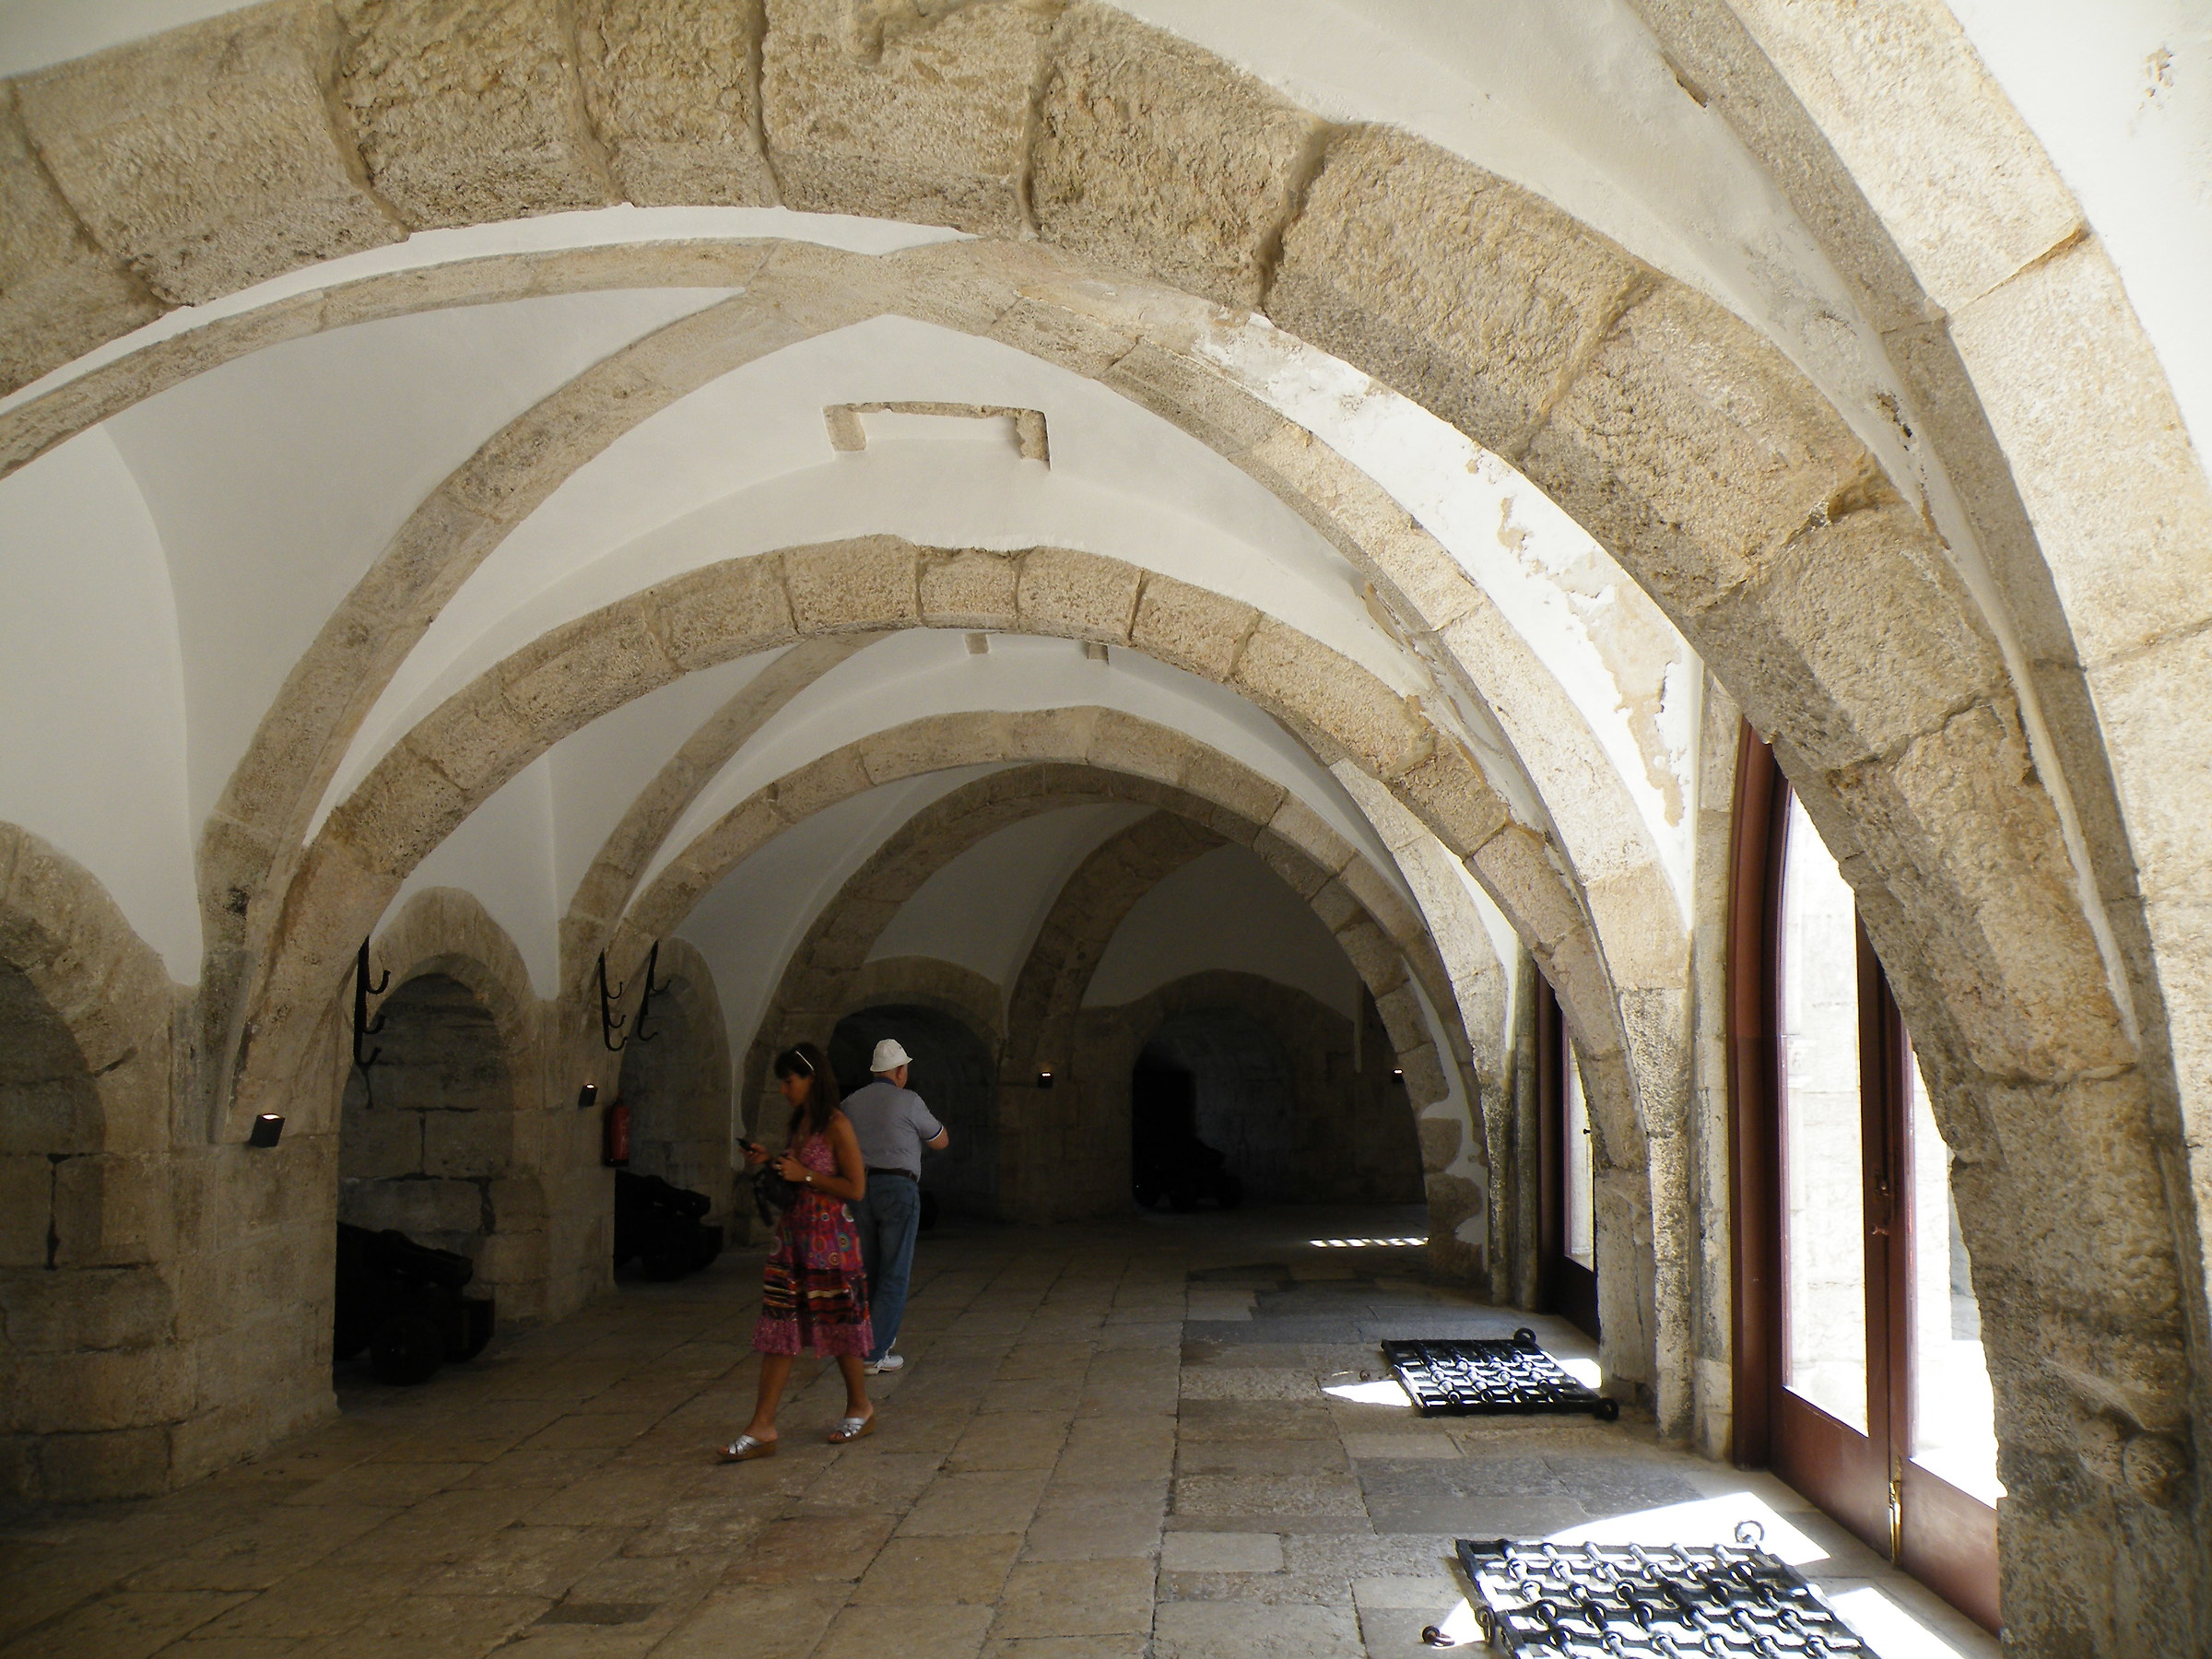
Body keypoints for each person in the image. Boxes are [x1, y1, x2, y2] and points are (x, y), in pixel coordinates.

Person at [720, 1042, 875, 1461]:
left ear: (812, 1079)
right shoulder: (800, 1122)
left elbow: (855, 1188)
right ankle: (762, 1425)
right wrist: (772, 1161)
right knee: (779, 1325)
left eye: (790, 1081)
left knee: (838, 1325)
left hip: (830, 1243)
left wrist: (804, 1173)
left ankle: (860, 1406)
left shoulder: (837, 1125)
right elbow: (797, 1174)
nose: (784, 1089)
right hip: (794, 1239)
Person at [840, 1038, 948, 1374]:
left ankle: (868, 1341)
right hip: (898, 1189)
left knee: (869, 1269)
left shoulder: (851, 1103)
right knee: (895, 1271)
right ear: (901, 1070)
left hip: (860, 1190)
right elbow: (941, 1140)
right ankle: (875, 1352)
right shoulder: (909, 1100)